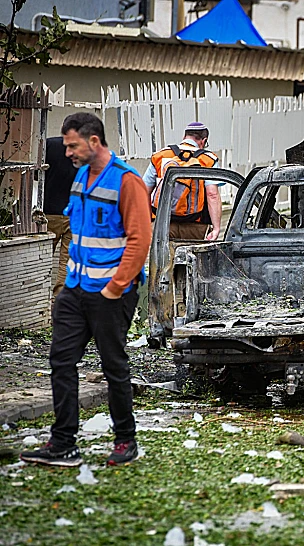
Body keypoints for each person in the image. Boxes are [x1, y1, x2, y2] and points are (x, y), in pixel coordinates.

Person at [20, 113, 151, 468]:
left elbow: (140, 241)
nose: (68, 153)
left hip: (110, 294)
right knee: (61, 361)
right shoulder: (81, 177)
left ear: (94, 142)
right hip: (75, 291)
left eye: (73, 145)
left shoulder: (126, 181)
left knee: (113, 366)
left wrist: (115, 288)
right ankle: (63, 443)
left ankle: (125, 440)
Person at [144, 121, 221, 240]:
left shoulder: (161, 156)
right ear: (204, 141)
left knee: (165, 258)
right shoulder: (208, 159)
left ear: (184, 137)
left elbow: (143, 191)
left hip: (163, 225)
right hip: (196, 227)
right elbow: (212, 194)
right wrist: (216, 228)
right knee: (195, 258)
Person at [44, 136, 78, 297]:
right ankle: (59, 300)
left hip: (49, 212)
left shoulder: (50, 145)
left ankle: (40, 298)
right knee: (67, 261)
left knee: (42, 257)